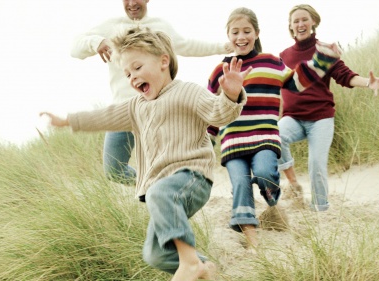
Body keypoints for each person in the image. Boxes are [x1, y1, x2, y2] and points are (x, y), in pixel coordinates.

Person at [42, 27, 250, 281]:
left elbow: (219, 114)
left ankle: (189, 263)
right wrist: (67, 121)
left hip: (192, 177)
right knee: (155, 254)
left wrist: (230, 94)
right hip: (162, 189)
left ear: (164, 61)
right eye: (127, 73)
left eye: (137, 68)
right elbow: (103, 116)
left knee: (159, 192)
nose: (131, 77)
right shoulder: (136, 107)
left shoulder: (187, 91)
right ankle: (203, 267)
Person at [207, 7, 342, 249]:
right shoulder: (220, 71)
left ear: (256, 33)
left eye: (247, 31)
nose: (241, 37)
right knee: (240, 184)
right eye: (235, 32)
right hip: (233, 141)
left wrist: (323, 60)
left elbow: (298, 82)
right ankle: (253, 243)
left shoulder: (270, 62)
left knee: (265, 175)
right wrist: (207, 141)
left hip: (265, 137)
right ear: (228, 36)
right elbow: (211, 111)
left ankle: (273, 203)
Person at [70, 0, 232, 185]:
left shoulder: (159, 26)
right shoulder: (111, 26)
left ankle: (169, 194)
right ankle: (155, 186)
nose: (131, 3)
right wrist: (95, 41)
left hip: (157, 109)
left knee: (166, 163)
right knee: (114, 171)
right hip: (124, 111)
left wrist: (222, 47)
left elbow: (187, 46)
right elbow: (74, 49)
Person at [278, 4, 379, 211]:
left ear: (313, 22)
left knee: (316, 166)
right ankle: (293, 183)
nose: (300, 24)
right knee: (275, 135)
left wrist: (369, 82)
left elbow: (346, 76)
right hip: (293, 117)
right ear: (291, 26)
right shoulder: (284, 55)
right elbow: (276, 83)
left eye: (304, 19)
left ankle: (320, 209)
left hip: (320, 119)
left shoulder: (325, 51)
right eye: (296, 21)